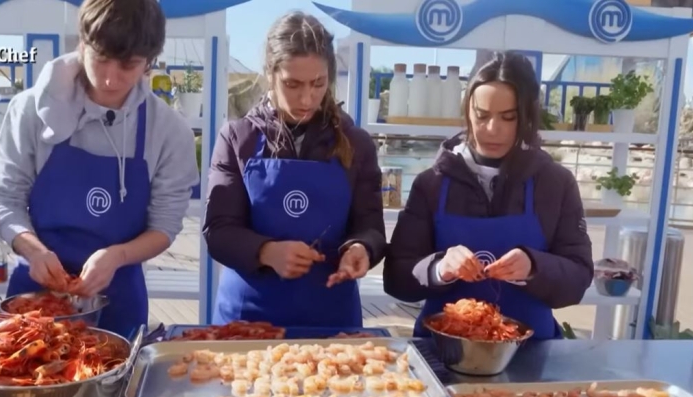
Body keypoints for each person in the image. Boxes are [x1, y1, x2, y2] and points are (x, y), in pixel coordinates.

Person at [0, 0, 199, 339]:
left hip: (119, 296)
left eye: (128, 66)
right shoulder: (29, 110)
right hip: (35, 293)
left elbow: (165, 226)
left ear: (149, 62)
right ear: (81, 43)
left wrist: (118, 255)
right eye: (100, 59)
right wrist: (33, 249)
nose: (110, 79)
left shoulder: (169, 131)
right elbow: (4, 200)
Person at [383, 52, 594, 340]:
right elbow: (396, 278)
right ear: (467, 110)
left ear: (528, 116)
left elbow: (578, 279)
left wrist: (534, 266)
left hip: (531, 355)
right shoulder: (431, 184)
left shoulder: (555, 184)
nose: (493, 130)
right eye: (482, 116)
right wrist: (439, 268)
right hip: (442, 352)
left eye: (509, 117)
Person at [203, 12, 386, 328]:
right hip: (247, 321)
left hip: (331, 320)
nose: (307, 98)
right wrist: (266, 252)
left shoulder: (356, 144)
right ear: (270, 74)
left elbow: (371, 226)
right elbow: (218, 230)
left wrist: (362, 248)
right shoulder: (238, 138)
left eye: (318, 83)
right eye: (292, 84)